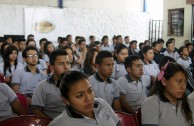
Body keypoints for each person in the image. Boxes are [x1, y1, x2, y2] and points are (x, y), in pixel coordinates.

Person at [48, 71, 120, 126]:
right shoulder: (60, 123)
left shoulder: (101, 104)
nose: (88, 98)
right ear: (66, 100)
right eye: (79, 96)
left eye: (90, 91)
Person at [31, 50, 71, 119]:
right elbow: (36, 110)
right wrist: (52, 123)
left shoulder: (77, 83)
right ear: (52, 68)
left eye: (68, 63)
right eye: (61, 64)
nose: (66, 67)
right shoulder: (42, 86)